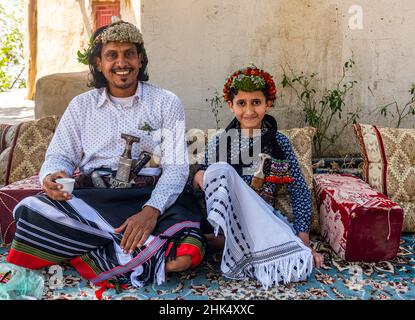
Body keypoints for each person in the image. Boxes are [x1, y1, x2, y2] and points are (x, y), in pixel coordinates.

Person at [7, 21, 206, 289]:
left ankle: (96, 248)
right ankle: (130, 251)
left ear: (140, 60)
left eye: (129, 54)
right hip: (97, 199)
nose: (121, 62)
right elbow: (59, 156)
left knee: (186, 254)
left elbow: (176, 168)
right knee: (32, 212)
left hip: (148, 196)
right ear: (99, 63)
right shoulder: (81, 106)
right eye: (112, 54)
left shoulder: (165, 102)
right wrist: (51, 176)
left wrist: (151, 212)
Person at [192, 66, 323, 288]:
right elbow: (201, 183)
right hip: (228, 219)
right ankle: (226, 239)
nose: (249, 111)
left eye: (256, 102)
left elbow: (299, 190)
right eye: (241, 103)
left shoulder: (278, 143)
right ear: (231, 106)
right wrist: (200, 176)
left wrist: (303, 238)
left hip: (263, 215)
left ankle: (230, 244)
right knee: (220, 171)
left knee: (297, 263)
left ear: (268, 103)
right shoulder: (219, 143)